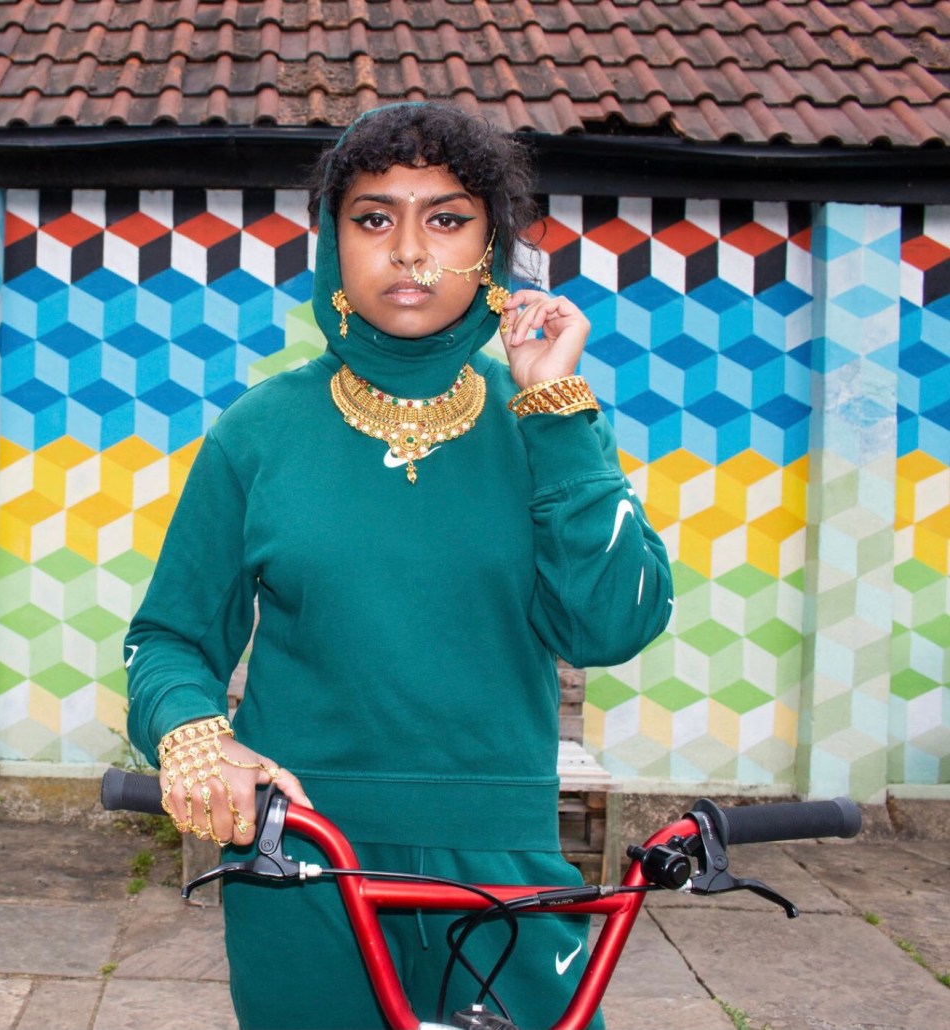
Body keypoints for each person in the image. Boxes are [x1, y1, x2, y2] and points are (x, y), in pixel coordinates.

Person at [123, 102, 673, 1030]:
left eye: (447, 219)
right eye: (374, 218)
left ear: (491, 247)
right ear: (332, 244)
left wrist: (557, 411)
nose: (410, 251)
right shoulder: (259, 432)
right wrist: (193, 735)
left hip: (503, 863)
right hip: (302, 859)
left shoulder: (543, 419)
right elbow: (169, 637)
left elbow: (613, 623)